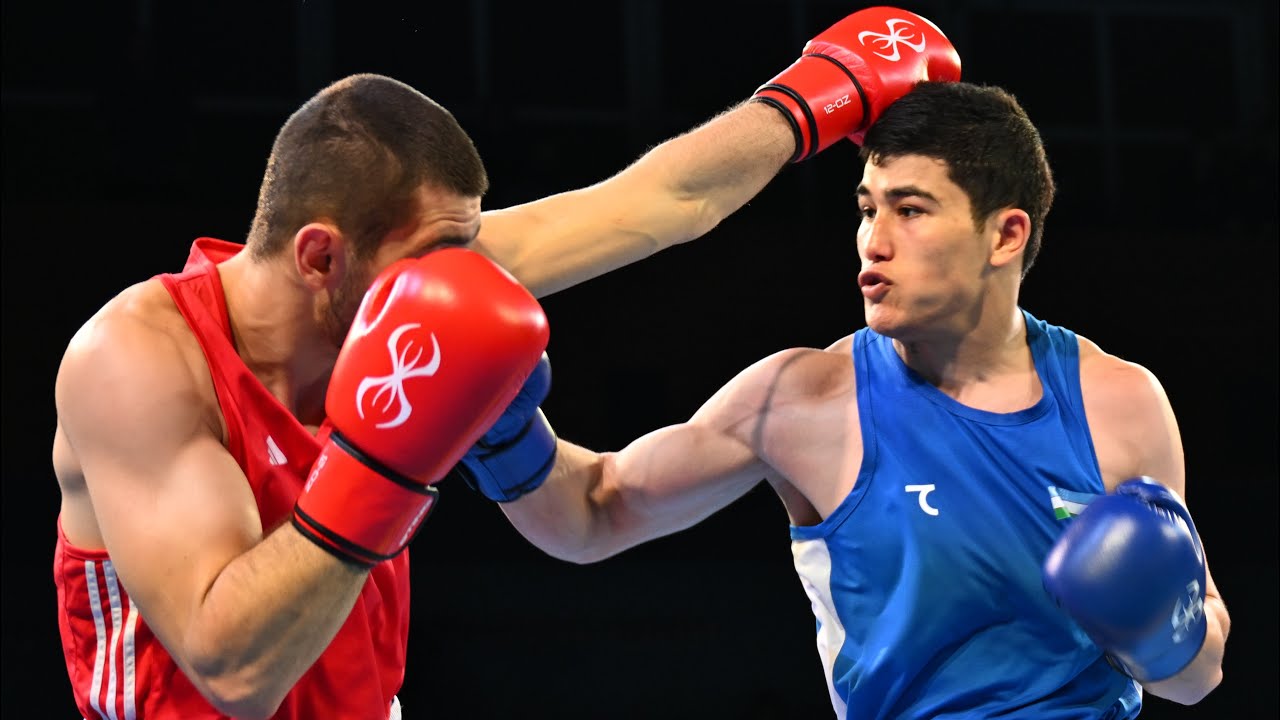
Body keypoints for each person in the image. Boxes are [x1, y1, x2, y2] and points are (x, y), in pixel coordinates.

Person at [51, 7, 958, 720]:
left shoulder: (422, 274)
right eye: (434, 259)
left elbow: (659, 199)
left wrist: (813, 96)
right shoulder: (136, 363)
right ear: (321, 257)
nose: (461, 281)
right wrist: (389, 462)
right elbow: (232, 669)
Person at [472, 86, 1231, 717]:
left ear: (1005, 235)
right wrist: (499, 422)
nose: (873, 239)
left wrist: (1158, 629)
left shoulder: (1118, 404)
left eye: (910, 209)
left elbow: (1196, 678)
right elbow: (594, 513)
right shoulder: (804, 400)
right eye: (867, 208)